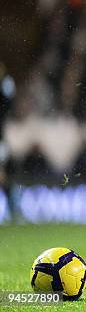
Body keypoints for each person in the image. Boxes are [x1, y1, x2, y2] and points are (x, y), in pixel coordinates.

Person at [0, 63, 16, 218]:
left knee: (1, 174)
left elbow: (10, 100)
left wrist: (4, 78)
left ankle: (13, 206)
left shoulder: (6, 86)